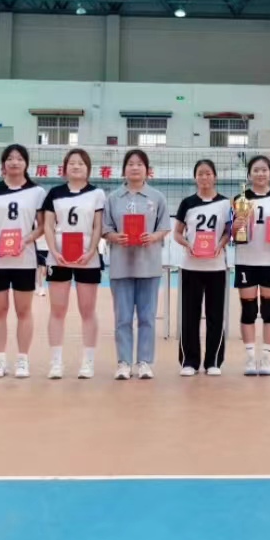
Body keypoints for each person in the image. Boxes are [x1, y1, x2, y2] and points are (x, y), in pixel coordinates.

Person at [0, 144, 46, 380]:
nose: (14, 162)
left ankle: (23, 359)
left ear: (26, 163)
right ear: (3, 163)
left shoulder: (37, 192)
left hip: (24, 260)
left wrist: (25, 240)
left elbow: (42, 226)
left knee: (23, 310)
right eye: (10, 158)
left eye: (19, 158)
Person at [102, 149, 170, 381]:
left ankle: (144, 362)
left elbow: (164, 227)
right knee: (122, 318)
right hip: (121, 265)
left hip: (149, 265)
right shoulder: (113, 198)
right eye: (130, 163)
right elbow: (105, 228)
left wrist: (154, 236)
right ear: (124, 169)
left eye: (139, 164)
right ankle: (123, 362)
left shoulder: (157, 197)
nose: (134, 167)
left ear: (147, 170)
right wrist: (114, 237)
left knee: (147, 317)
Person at [42, 148, 105, 380]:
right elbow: (48, 225)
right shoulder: (54, 193)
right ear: (65, 167)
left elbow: (98, 226)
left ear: (88, 168)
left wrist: (91, 251)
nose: (76, 166)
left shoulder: (97, 193)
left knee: (87, 310)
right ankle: (56, 362)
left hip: (87, 256)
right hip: (59, 256)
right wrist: (53, 251)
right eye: (72, 163)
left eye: (81, 163)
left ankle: (88, 362)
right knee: (57, 309)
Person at [233, 155, 270, 377]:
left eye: (264, 170)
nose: (260, 173)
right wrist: (235, 225)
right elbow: (233, 234)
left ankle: (266, 358)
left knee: (269, 311)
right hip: (245, 260)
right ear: (249, 175)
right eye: (256, 170)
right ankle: (250, 358)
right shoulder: (240, 199)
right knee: (248, 311)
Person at [174, 160, 232, 376]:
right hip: (191, 266)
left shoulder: (226, 204)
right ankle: (189, 361)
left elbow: (229, 232)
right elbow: (177, 233)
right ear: (195, 177)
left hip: (216, 266)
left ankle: (213, 361)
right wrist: (187, 244)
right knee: (190, 314)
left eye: (208, 173)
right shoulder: (187, 203)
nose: (204, 177)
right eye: (200, 174)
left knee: (215, 315)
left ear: (215, 177)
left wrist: (220, 244)